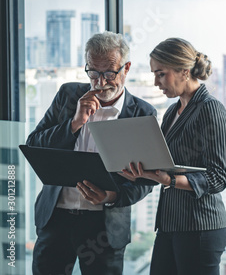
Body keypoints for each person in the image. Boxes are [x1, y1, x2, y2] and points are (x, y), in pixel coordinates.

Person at [27, 31, 156, 275]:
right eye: (93, 73)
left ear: (126, 68)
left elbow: (147, 180)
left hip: (104, 228)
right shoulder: (68, 95)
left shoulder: (142, 112)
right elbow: (34, 144)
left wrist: (110, 196)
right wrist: (74, 123)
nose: (100, 82)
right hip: (56, 218)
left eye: (109, 73)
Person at [121, 37, 226, 275]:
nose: (155, 82)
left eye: (161, 74)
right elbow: (163, 166)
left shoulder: (210, 109)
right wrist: (139, 173)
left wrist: (169, 180)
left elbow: (218, 178)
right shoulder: (172, 111)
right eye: (154, 74)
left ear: (184, 71)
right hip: (171, 224)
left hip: (200, 226)